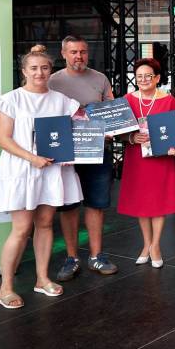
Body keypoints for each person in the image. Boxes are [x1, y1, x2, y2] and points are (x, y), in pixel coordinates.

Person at [0, 47, 83, 309]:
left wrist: (91, 139)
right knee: (21, 229)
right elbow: (3, 139)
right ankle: (5, 288)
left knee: (45, 224)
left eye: (44, 67)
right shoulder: (10, 100)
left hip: (51, 170)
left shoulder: (61, 100)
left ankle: (42, 279)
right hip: (21, 170)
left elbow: (78, 130)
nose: (39, 73)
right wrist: (32, 158)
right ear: (24, 71)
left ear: (51, 70)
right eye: (33, 68)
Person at [49, 35, 118, 280]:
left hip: (97, 151)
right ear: (63, 54)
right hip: (65, 154)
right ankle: (71, 258)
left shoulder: (100, 79)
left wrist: (111, 130)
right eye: (73, 52)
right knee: (68, 205)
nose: (79, 56)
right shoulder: (52, 81)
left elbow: (112, 112)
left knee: (96, 204)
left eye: (83, 51)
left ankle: (97, 256)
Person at [117, 59, 175, 268]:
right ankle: (146, 244)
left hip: (160, 160)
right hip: (136, 158)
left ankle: (156, 246)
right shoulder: (127, 100)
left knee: (158, 201)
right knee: (142, 202)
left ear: (157, 78)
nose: (144, 80)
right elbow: (119, 132)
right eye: (139, 76)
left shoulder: (168, 100)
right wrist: (131, 137)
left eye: (148, 76)